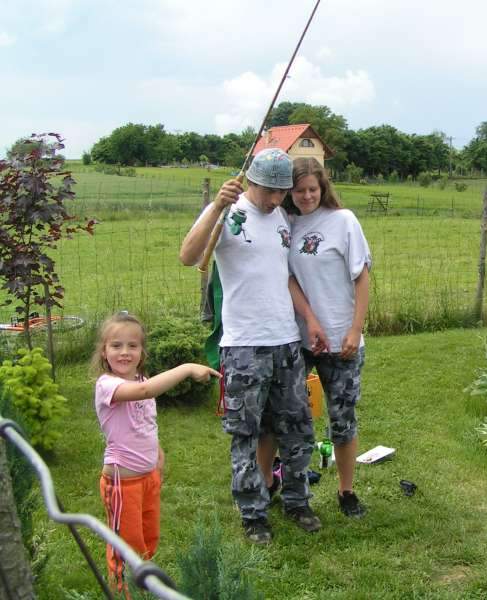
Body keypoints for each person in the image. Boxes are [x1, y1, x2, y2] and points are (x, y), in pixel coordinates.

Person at [179, 148, 328, 545]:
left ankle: (297, 501)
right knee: (244, 433)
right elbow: (188, 255)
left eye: (282, 192)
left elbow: (284, 275)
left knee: (297, 428)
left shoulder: (280, 216)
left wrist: (309, 318)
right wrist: (214, 208)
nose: (276, 200)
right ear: (250, 182)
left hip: (286, 341)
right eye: (269, 192)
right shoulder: (228, 212)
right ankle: (253, 513)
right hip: (244, 345)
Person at [263, 156, 371, 518]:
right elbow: (287, 277)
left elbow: (362, 276)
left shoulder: (344, 221)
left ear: (323, 188)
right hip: (299, 339)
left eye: (313, 189)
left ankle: (346, 490)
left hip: (342, 340)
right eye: (299, 190)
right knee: (289, 418)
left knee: (342, 419)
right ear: (288, 192)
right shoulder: (285, 223)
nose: (307, 195)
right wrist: (308, 319)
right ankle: (281, 483)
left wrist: (355, 329)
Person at [92, 311, 219, 593]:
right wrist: (186, 368)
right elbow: (146, 392)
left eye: (132, 346)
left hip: (148, 477)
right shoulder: (107, 385)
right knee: (126, 546)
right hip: (121, 484)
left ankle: (142, 586)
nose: (125, 352)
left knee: (148, 539)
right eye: (116, 345)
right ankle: (124, 592)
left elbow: (142, 420)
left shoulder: (140, 379)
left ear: (141, 351)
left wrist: (156, 450)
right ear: (104, 351)